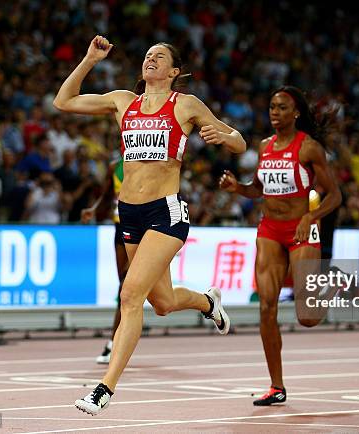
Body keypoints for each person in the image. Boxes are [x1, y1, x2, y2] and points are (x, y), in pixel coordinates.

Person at [54, 35, 246, 415]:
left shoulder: (185, 104)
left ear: (174, 71)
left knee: (130, 296)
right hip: (129, 213)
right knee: (162, 302)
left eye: (159, 56)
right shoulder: (123, 101)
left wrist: (220, 135)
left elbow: (239, 141)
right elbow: (64, 101)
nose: (150, 59)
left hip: (166, 212)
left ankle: (104, 389)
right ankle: (209, 302)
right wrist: (89, 60)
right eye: (146, 55)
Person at [219, 86, 341, 406]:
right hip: (270, 229)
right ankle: (276, 386)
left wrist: (312, 216)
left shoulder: (309, 148)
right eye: (272, 106)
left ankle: (335, 281)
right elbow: (257, 190)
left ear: (296, 113)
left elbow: (335, 195)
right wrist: (237, 188)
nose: (274, 112)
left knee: (307, 317)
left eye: (282, 107)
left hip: (301, 229)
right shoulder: (263, 147)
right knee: (266, 306)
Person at [80, 158, 128, 364]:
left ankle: (113, 343)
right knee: (124, 289)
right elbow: (108, 194)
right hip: (120, 226)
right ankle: (118, 340)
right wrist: (94, 208)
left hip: (143, 228)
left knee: (127, 287)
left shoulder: (148, 160)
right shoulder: (113, 166)